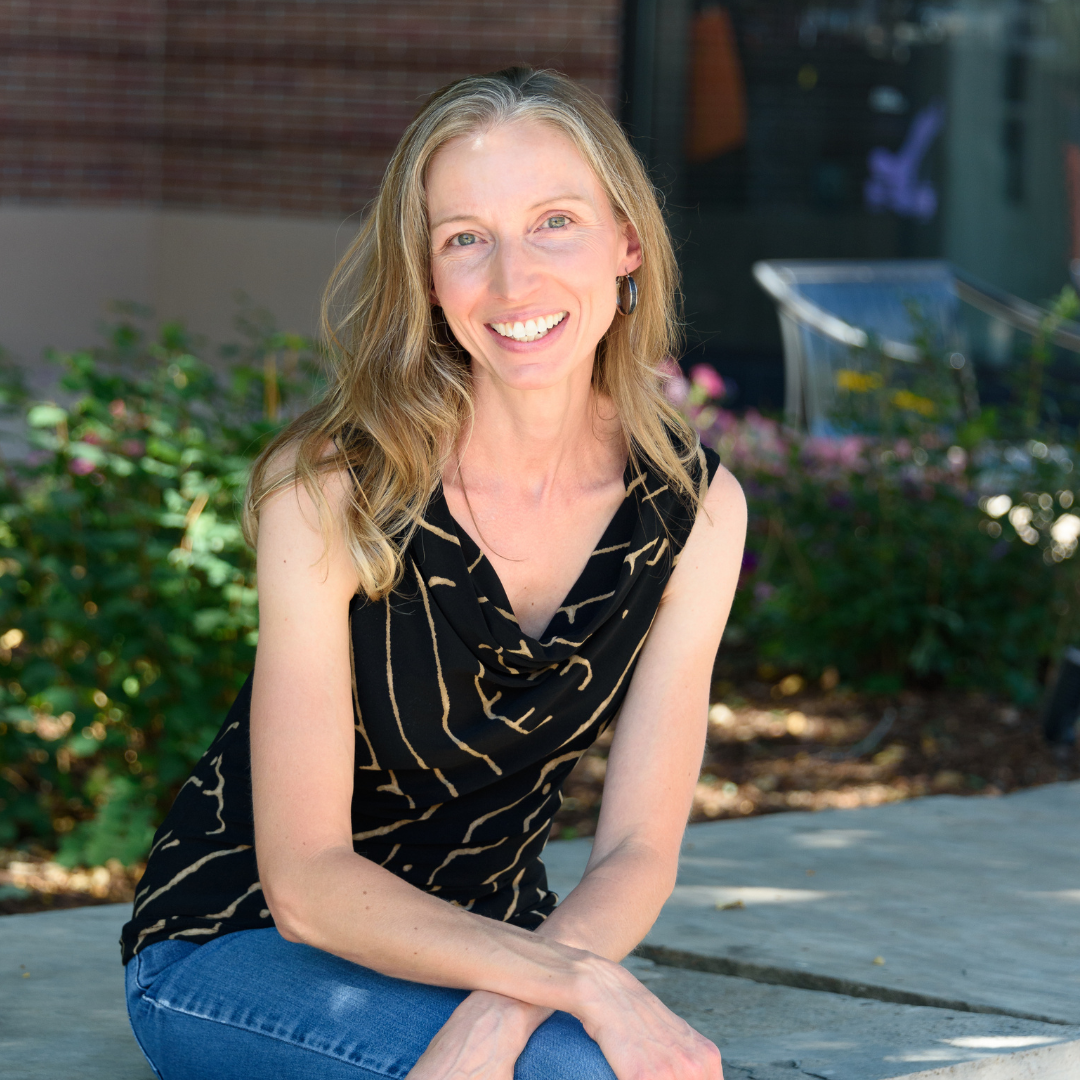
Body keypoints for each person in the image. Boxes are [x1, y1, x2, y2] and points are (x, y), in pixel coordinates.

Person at [121, 67, 746, 1080]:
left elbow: (638, 849)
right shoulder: (331, 489)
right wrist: (587, 986)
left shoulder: (693, 511)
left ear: (627, 243)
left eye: (554, 223)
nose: (513, 282)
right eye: (465, 239)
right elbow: (306, 883)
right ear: (424, 273)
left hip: (491, 950)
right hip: (239, 948)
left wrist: (507, 1007)